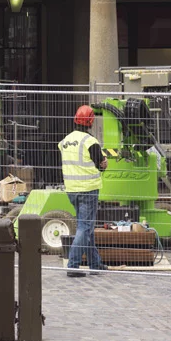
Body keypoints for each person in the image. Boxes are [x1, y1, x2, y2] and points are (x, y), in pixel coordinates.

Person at [60, 105, 108, 275]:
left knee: (86, 227)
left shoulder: (65, 141)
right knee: (85, 227)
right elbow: (101, 165)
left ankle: (95, 264)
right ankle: (73, 265)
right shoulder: (90, 141)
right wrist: (105, 163)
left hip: (72, 190)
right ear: (91, 122)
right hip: (88, 189)